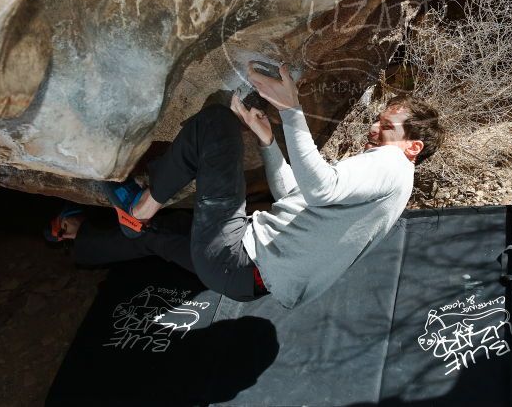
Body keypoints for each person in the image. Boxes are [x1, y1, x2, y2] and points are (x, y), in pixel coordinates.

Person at [51, 63, 444, 308]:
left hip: (238, 257)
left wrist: (291, 110)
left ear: (413, 146)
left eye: (387, 127)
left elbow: (322, 188)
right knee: (160, 235)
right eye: (377, 121)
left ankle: (137, 208)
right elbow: (297, 197)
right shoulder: (391, 191)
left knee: (216, 124)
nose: (374, 129)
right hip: (242, 281)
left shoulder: (392, 165)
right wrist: (268, 141)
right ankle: (83, 237)